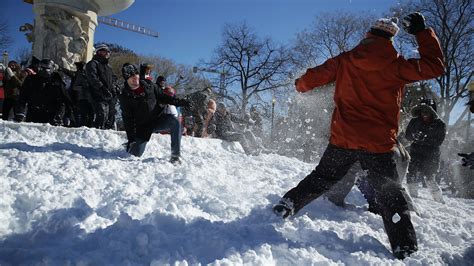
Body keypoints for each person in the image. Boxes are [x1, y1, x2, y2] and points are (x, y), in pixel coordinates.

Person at [272, 13, 444, 260]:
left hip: (344, 138)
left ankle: (287, 204)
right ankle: (404, 245)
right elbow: (434, 66)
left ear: (369, 34)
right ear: (391, 39)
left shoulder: (346, 59)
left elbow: (311, 78)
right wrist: (421, 32)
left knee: (322, 177)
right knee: (390, 193)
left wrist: (300, 84)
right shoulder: (397, 66)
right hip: (378, 144)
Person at [118, 63, 191, 164]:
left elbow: (164, 97)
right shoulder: (125, 97)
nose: (135, 78)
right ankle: (129, 146)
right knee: (135, 154)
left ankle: (175, 156)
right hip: (142, 127)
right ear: (126, 79)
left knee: (175, 122)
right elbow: (127, 119)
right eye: (131, 76)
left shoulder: (149, 85)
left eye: (136, 74)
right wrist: (131, 138)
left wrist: (180, 102)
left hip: (157, 119)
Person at [404, 99, 446, 203]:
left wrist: (425, 138)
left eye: (427, 111)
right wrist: (414, 136)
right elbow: (407, 135)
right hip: (415, 152)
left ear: (432, 112)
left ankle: (439, 201)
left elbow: (438, 141)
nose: (424, 114)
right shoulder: (414, 121)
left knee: (429, 178)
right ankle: (413, 198)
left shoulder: (440, 124)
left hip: (431, 155)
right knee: (411, 174)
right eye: (422, 111)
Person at [14, 59, 67, 125]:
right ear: (39, 68)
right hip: (33, 113)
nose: (45, 71)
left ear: (52, 69)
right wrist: (20, 112)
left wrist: (59, 116)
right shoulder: (31, 79)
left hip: (51, 116)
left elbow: (62, 101)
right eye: (42, 68)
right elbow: (23, 97)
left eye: (48, 68)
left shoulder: (57, 81)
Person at [85, 43, 115, 129]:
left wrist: (113, 90)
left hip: (108, 95)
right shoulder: (92, 64)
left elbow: (111, 80)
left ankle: (106, 137)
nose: (107, 54)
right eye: (105, 51)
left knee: (110, 116)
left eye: (108, 52)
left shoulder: (108, 67)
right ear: (99, 52)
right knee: (101, 115)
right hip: (96, 94)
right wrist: (102, 88)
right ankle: (96, 135)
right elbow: (92, 78)